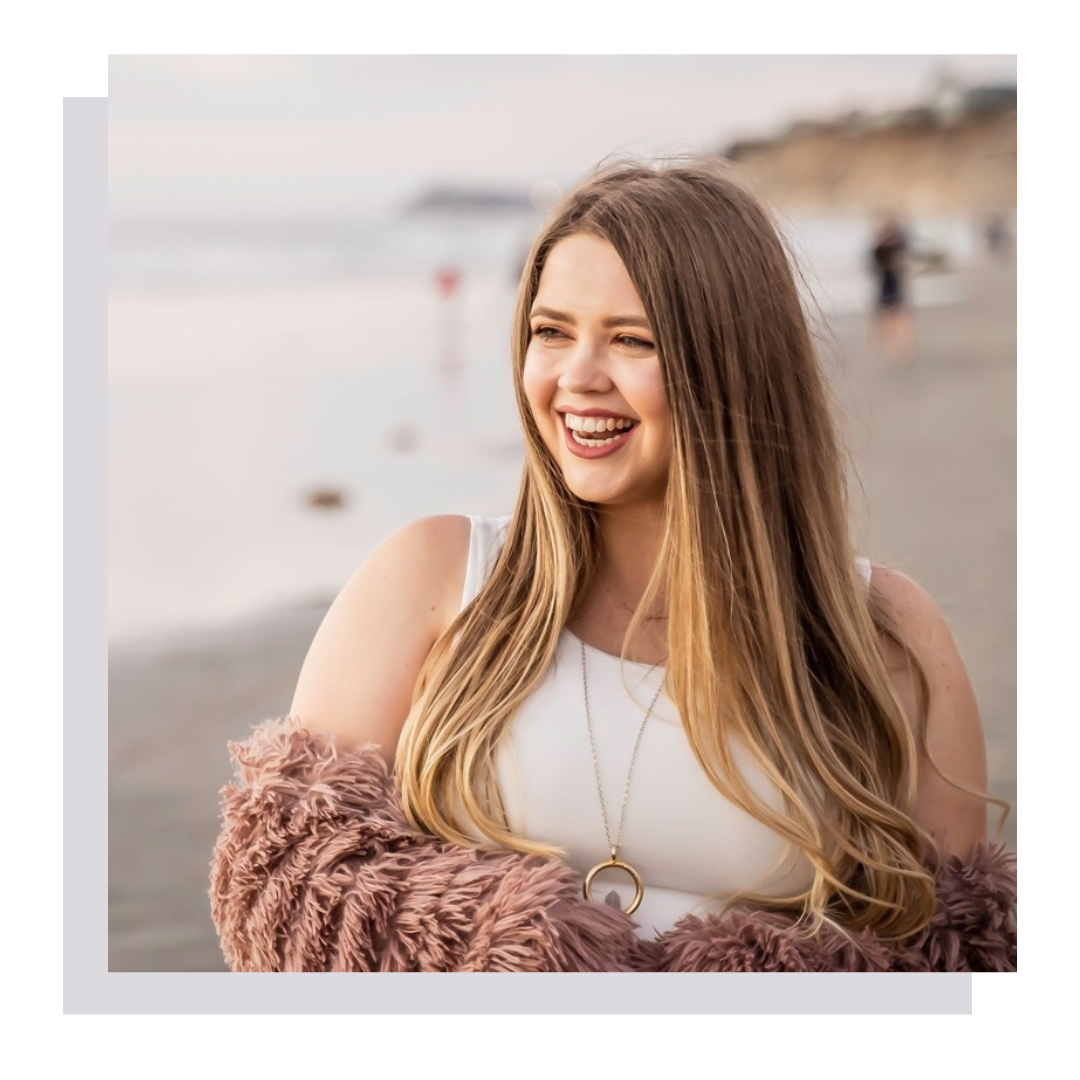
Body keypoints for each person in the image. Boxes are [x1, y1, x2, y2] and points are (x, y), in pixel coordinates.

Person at [211, 158, 1033, 972]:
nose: (576, 378)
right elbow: (285, 889)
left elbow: (949, 954)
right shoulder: (432, 579)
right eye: (551, 332)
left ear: (734, 364)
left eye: (631, 340)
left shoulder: (881, 634)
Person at [869, 212, 917, 365]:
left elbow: (905, 241)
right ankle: (897, 351)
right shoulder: (886, 251)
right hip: (889, 289)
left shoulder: (887, 250)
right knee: (893, 320)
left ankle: (898, 351)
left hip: (889, 289)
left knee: (896, 320)